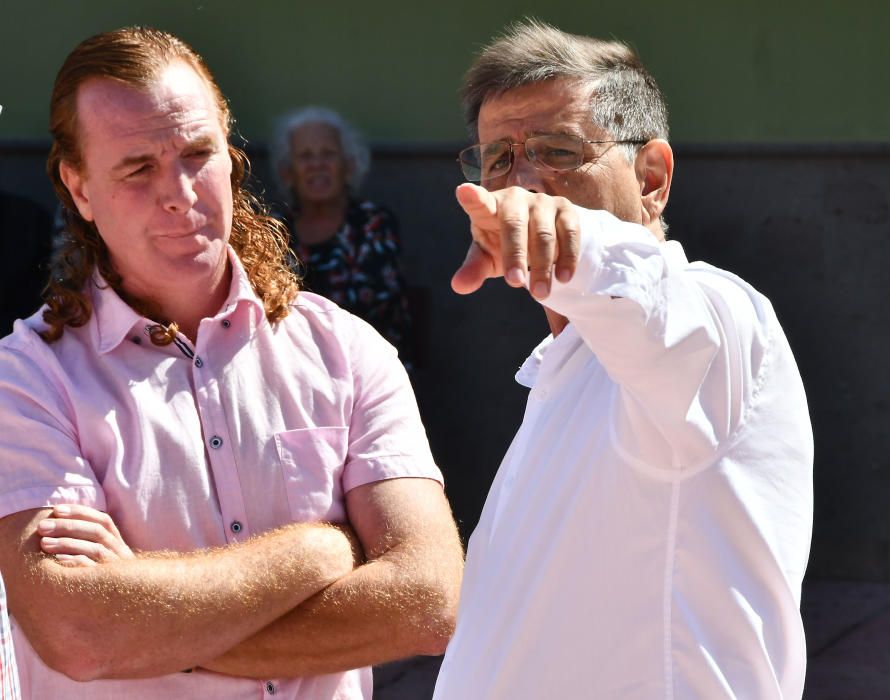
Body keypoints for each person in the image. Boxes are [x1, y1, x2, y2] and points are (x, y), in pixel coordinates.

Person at [0, 27, 462, 699]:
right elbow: (79, 633)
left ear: (230, 155)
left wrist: (156, 629)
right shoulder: (28, 378)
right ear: (79, 189)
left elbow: (426, 603)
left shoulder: (347, 351)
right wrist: (322, 549)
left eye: (197, 153)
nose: (180, 193)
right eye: (137, 167)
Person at [433, 20, 812, 700]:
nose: (518, 184)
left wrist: (575, 236)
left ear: (652, 178)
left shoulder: (719, 318)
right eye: (498, 161)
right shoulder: (566, 366)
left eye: (555, 150)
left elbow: (655, 305)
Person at [272, 107, 414, 368]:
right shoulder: (274, 231)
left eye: (328, 154)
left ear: (348, 165)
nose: (317, 165)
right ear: (287, 172)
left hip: (366, 365)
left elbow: (384, 312)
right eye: (305, 156)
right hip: (293, 367)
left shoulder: (373, 224)